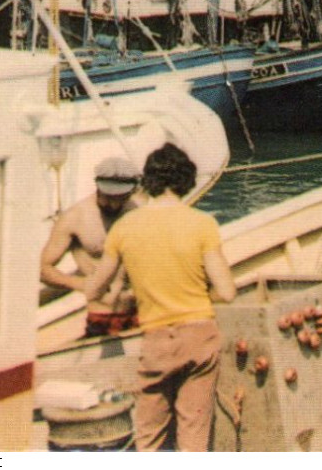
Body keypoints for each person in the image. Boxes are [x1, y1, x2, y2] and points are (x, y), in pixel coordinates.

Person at [85, 143, 236, 452]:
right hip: (199, 337)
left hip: (157, 342)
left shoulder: (124, 229)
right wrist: (196, 292)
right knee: (193, 436)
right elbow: (227, 291)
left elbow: (93, 290)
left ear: (148, 182)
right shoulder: (203, 224)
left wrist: (124, 291)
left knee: (149, 437)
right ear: (186, 181)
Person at [40, 156, 141, 337]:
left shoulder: (140, 211)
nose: (114, 204)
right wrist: (79, 283)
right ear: (97, 186)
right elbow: (42, 268)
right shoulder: (75, 217)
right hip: (102, 314)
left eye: (121, 197)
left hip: (142, 310)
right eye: (108, 197)